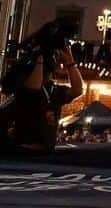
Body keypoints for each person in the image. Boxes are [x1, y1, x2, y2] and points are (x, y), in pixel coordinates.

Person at [0, 22, 83, 152]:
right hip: (22, 149)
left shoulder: (53, 90)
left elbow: (77, 90)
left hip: (45, 150)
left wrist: (70, 63)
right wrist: (40, 58)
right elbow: (33, 88)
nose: (55, 59)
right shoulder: (23, 83)